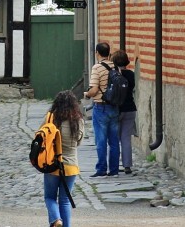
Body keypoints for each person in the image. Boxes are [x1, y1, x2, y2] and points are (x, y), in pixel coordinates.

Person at [42, 90, 84, 227]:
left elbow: (41, 138)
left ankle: (56, 220)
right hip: (71, 166)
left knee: (50, 197)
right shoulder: (78, 120)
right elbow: (78, 142)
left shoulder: (51, 118)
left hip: (52, 164)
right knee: (65, 200)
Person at [83, 41, 120, 176]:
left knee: (101, 140)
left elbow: (94, 90)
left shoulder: (97, 68)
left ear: (97, 53)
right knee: (114, 141)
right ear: (109, 53)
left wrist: (87, 95)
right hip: (114, 107)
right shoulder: (115, 66)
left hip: (101, 107)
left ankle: (101, 169)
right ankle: (114, 169)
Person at [111, 49, 136, 174]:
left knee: (114, 138)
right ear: (127, 61)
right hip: (130, 108)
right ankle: (127, 165)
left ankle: (114, 165)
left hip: (116, 109)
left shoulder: (113, 75)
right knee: (126, 138)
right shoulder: (131, 74)